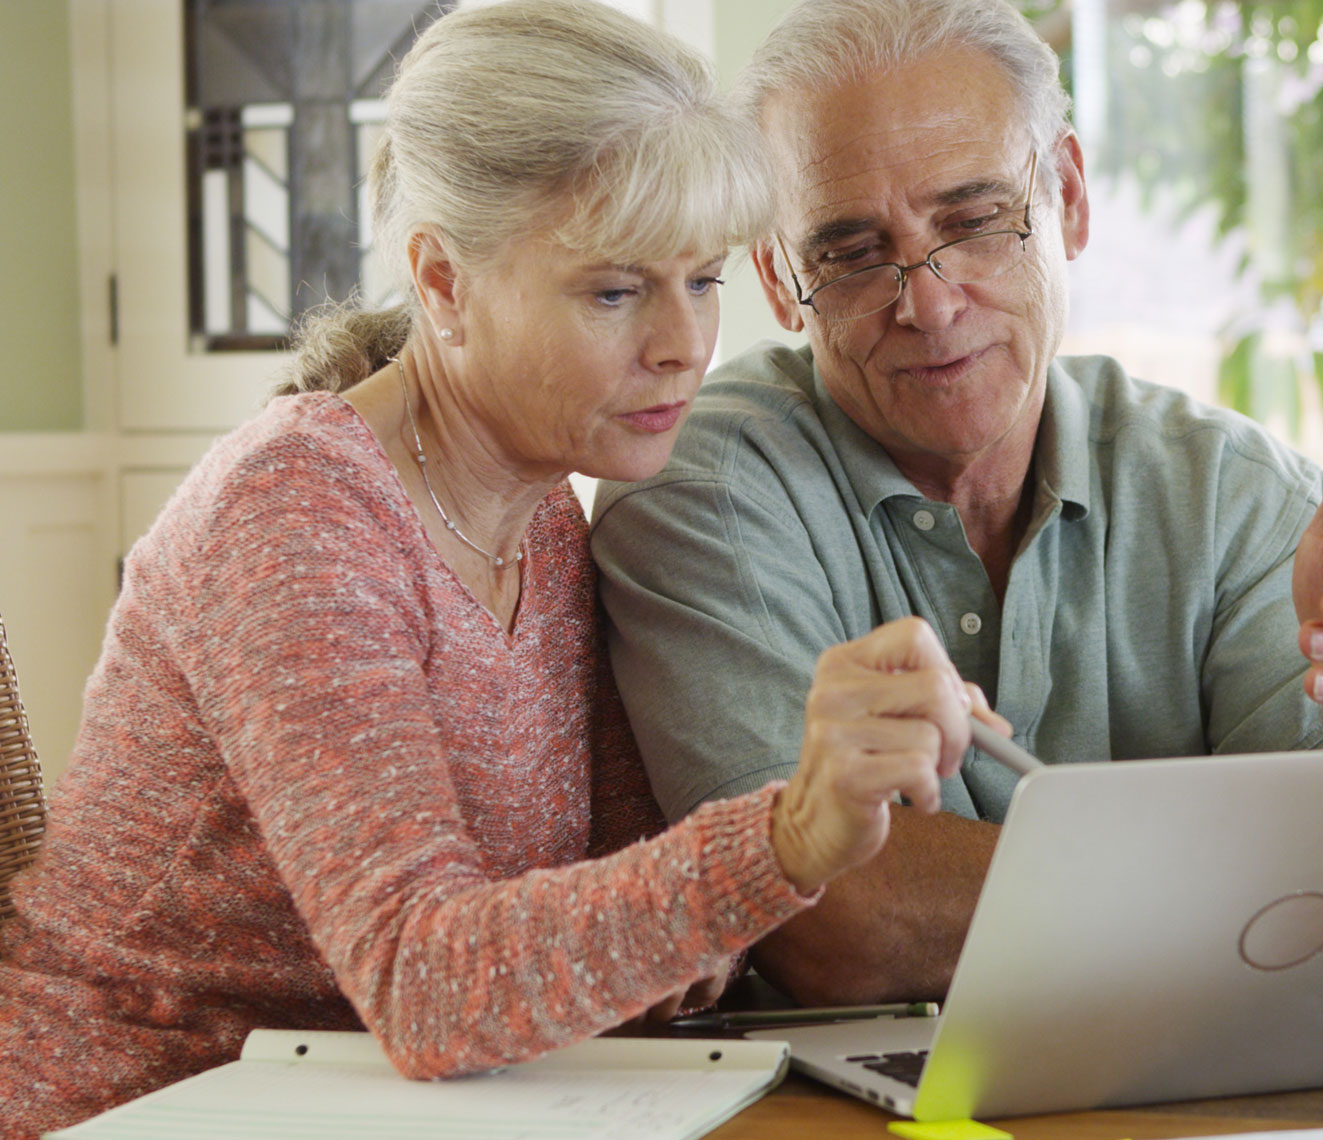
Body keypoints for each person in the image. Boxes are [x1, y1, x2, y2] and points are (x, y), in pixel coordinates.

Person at [0, 4, 1001, 1137]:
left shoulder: (543, 517)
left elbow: (637, 919)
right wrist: (784, 838)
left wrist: (806, 819)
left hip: (422, 1108)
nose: (684, 343)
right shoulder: (295, 512)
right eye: (616, 292)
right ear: (441, 284)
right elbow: (427, 987)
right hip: (150, 1103)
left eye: (705, 279)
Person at [589, 0, 1323, 1006]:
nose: (927, 301)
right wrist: (1255, 881)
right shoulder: (701, 492)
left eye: (973, 223)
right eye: (850, 252)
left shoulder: (1230, 493)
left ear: (1070, 198)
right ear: (782, 281)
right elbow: (834, 922)